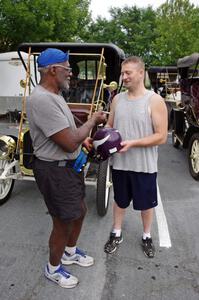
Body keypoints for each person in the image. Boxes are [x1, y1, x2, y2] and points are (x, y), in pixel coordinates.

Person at [26, 48, 106, 288]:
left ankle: (70, 252)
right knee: (62, 222)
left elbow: (69, 132)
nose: (72, 73)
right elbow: (68, 140)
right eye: (67, 68)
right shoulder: (41, 99)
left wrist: (84, 138)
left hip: (68, 167)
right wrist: (92, 121)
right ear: (53, 70)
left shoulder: (55, 94)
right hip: (55, 171)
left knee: (79, 211)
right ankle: (53, 268)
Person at [104, 56, 168, 258]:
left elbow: (161, 136)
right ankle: (116, 233)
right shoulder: (117, 99)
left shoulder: (154, 100)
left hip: (144, 165)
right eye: (122, 73)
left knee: (146, 204)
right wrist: (100, 138)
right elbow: (110, 126)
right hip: (120, 163)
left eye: (128, 73)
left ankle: (147, 236)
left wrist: (132, 143)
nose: (124, 77)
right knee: (120, 201)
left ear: (141, 73)